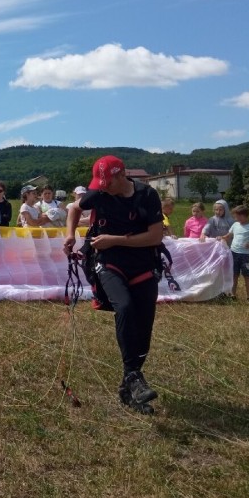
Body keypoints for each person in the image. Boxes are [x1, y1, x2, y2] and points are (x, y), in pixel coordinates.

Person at [64, 155, 165, 415]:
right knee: (126, 307)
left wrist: (116, 239)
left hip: (143, 263)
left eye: (107, 182)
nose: (103, 187)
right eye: (100, 184)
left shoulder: (147, 196)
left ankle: (128, 387)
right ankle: (133, 377)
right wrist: (69, 235)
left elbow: (155, 236)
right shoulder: (98, 194)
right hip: (108, 261)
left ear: (122, 176)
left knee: (144, 326)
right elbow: (74, 208)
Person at [219, 204, 249, 301]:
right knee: (234, 274)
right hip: (234, 253)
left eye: (236, 216)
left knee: (248, 276)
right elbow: (229, 235)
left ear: (243, 215)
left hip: (247, 256)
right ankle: (233, 295)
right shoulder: (235, 225)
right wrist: (222, 237)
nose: (235, 218)